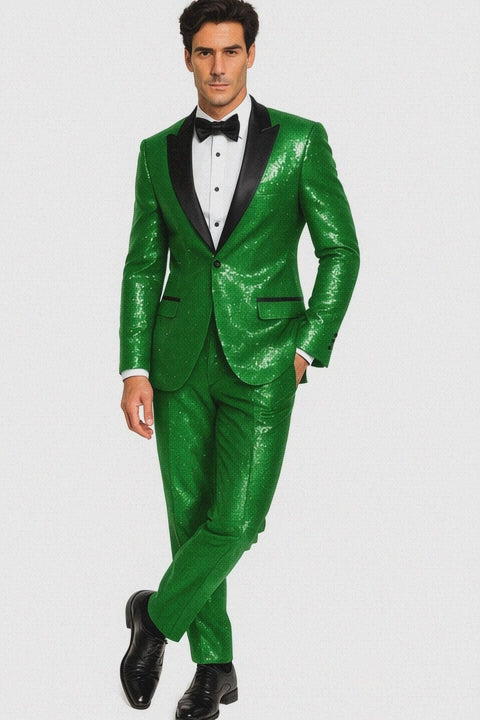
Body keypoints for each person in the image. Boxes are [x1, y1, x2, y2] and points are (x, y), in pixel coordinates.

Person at [119, 0, 360, 717]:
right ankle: (213, 669)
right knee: (189, 517)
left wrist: (308, 346)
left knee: (239, 520)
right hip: (177, 360)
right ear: (187, 58)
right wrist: (134, 367)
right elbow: (143, 265)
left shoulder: (302, 141)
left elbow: (340, 250)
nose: (218, 67)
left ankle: (154, 617)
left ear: (251, 53)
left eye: (230, 51)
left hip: (267, 356)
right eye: (205, 52)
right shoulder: (156, 150)